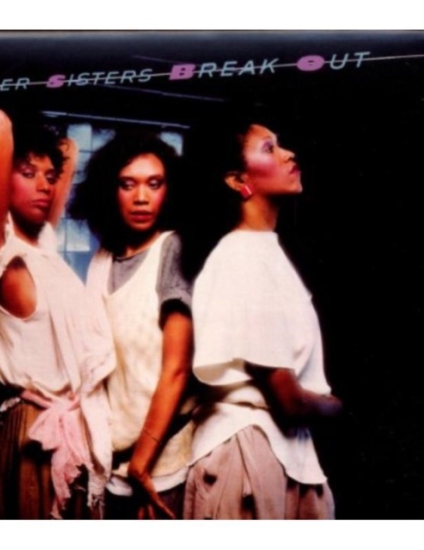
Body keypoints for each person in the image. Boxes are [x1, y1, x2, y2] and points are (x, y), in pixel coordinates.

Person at [181, 118, 342, 519]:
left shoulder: (265, 251)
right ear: (238, 180)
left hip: (283, 453)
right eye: (269, 148)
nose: (289, 154)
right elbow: (288, 400)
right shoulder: (242, 257)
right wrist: (338, 407)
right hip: (248, 453)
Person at [0, 109, 114, 519]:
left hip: (73, 423)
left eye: (49, 177)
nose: (45, 186)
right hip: (35, 428)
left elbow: (68, 149)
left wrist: (44, 160)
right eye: (28, 173)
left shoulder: (42, 243)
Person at [69, 132, 195, 519]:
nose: (141, 197)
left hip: (163, 463)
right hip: (113, 464)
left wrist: (142, 465)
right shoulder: (103, 259)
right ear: (110, 191)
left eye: (154, 184)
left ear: (169, 191)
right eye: (128, 184)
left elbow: (177, 370)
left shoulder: (172, 248)